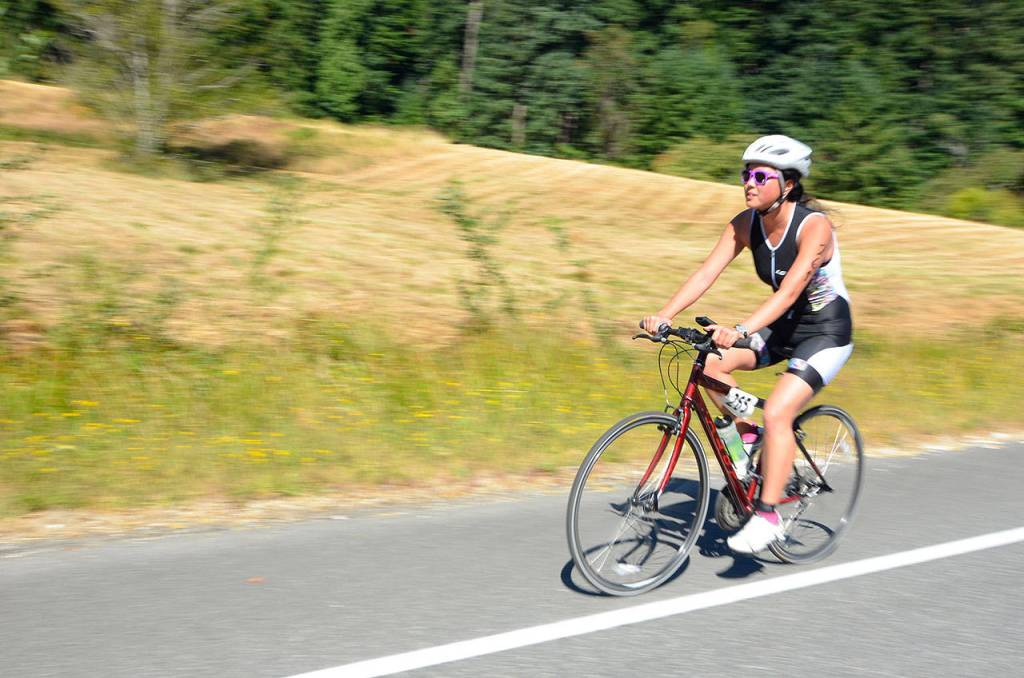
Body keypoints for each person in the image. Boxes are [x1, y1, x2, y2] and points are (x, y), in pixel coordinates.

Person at [641, 134, 853, 554]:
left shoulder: (814, 228)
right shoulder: (745, 223)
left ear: (787, 184)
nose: (749, 182)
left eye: (760, 175)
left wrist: (740, 328)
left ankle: (769, 515)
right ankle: (748, 442)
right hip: (783, 326)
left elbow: (790, 292)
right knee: (712, 367)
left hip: (825, 331)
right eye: (745, 174)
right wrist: (665, 314)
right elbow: (705, 274)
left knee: (778, 410)